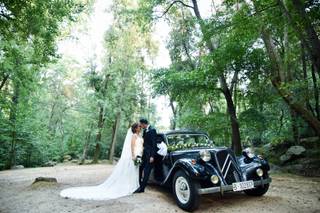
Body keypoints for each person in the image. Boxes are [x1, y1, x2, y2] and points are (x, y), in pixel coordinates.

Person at [60, 123, 143, 200]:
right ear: (135, 128)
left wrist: (140, 154)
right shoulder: (134, 136)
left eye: (140, 126)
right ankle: (129, 187)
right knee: (130, 171)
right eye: (139, 126)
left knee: (134, 171)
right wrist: (133, 155)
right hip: (133, 156)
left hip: (138, 155)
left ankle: (134, 186)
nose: (140, 127)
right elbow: (132, 146)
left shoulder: (139, 135)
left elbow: (139, 146)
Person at [135, 118, 157, 193]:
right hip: (143, 154)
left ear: (144, 124)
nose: (140, 126)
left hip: (150, 155)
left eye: (141, 125)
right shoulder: (145, 131)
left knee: (147, 171)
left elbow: (154, 144)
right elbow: (144, 143)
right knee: (140, 168)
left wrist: (152, 156)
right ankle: (139, 184)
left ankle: (142, 189)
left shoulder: (153, 130)